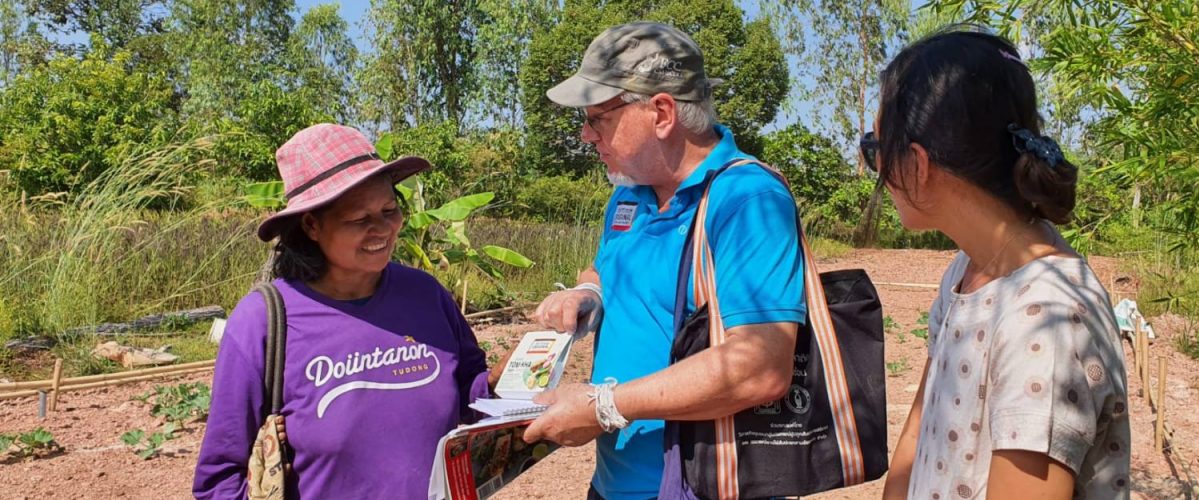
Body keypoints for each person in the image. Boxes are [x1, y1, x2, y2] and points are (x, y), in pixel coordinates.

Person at [522, 22, 807, 500]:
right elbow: (604, 270)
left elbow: (761, 367)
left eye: (598, 118)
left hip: (705, 488)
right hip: (616, 486)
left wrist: (601, 408)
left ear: (660, 112)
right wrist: (587, 293)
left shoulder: (747, 199)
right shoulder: (628, 196)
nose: (586, 134)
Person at [870, 27, 1131, 499]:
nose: (876, 170)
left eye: (875, 151)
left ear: (917, 163)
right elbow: (917, 433)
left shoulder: (1049, 322)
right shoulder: (964, 274)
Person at [193, 124, 498, 498]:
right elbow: (219, 479)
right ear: (311, 225)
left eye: (389, 210)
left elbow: (472, 395)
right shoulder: (263, 323)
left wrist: (518, 373)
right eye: (359, 219)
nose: (383, 229)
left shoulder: (426, 295)